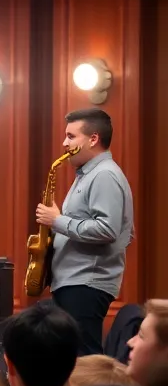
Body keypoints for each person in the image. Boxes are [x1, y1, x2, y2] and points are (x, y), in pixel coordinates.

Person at [36, 107, 134, 355]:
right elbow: (126, 232)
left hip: (85, 284)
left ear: (93, 139)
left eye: (71, 136)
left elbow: (108, 229)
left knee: (85, 362)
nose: (64, 143)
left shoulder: (104, 175)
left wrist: (57, 221)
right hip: (76, 281)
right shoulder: (88, 175)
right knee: (74, 359)